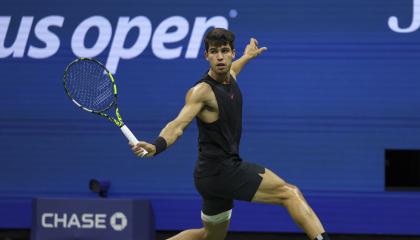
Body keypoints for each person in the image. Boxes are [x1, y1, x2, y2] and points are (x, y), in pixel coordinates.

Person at [131, 28, 330, 240]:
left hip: (208, 176)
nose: (219, 57)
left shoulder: (230, 75)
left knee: (209, 236)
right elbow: (178, 125)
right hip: (222, 170)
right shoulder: (201, 92)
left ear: (232, 53)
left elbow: (235, 69)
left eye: (224, 51)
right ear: (206, 55)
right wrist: (157, 145)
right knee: (289, 193)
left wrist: (248, 56)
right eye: (214, 51)